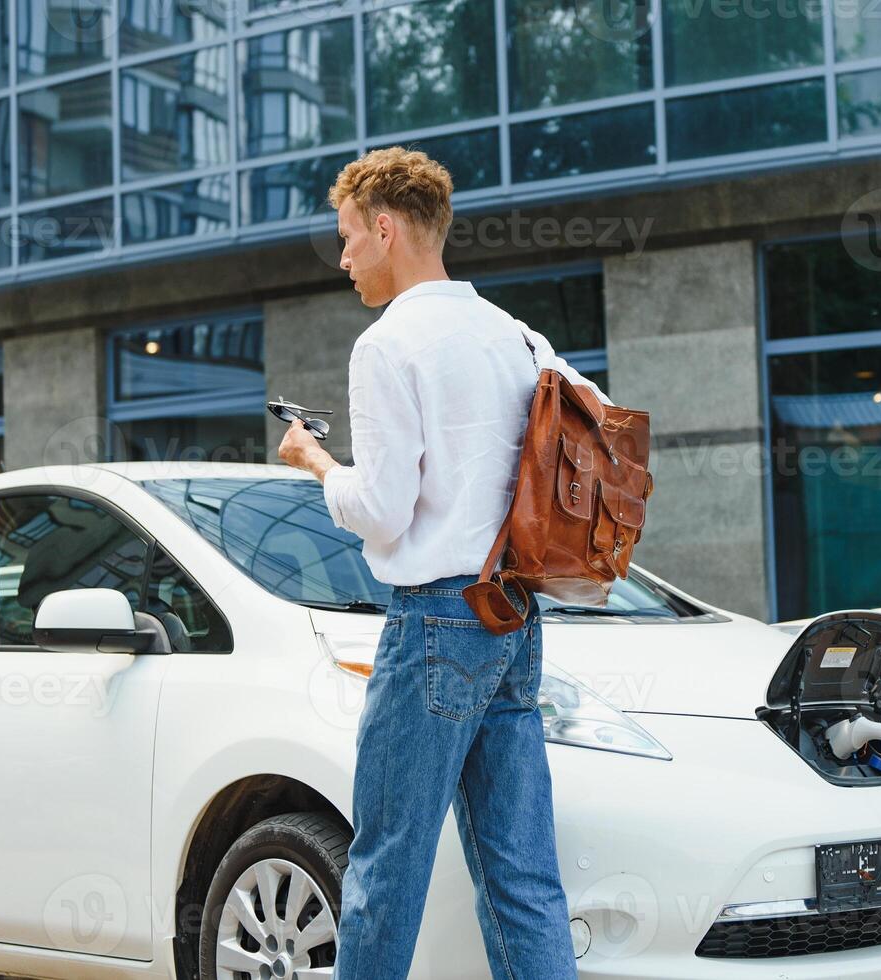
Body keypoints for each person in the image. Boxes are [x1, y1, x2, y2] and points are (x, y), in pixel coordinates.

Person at [277, 146, 609, 980]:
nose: (345, 257)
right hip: (515, 618)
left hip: (435, 619)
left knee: (386, 867)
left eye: (349, 238)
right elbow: (595, 424)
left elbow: (383, 511)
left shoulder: (387, 346)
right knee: (522, 877)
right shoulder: (516, 335)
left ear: (386, 229)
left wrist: (317, 463)